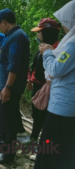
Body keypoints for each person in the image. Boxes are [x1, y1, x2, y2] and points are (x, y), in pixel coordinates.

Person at [35, 1, 75, 168]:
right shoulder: (69, 41)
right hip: (64, 105)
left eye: (66, 22)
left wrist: (47, 53)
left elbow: (57, 69)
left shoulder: (72, 44)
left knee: (53, 149)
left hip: (62, 106)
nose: (64, 26)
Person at [0, 9, 29, 164]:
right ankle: (4, 146)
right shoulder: (12, 36)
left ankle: (7, 155)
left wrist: (7, 87)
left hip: (9, 86)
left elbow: (14, 65)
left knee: (8, 120)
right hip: (5, 85)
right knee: (6, 117)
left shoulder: (16, 37)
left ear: (3, 22)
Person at [23, 18, 61, 145]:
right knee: (36, 112)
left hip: (48, 88)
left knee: (44, 115)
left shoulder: (58, 50)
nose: (38, 34)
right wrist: (30, 80)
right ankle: (34, 137)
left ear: (48, 32)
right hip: (37, 85)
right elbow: (35, 66)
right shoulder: (43, 47)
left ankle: (45, 144)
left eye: (40, 31)